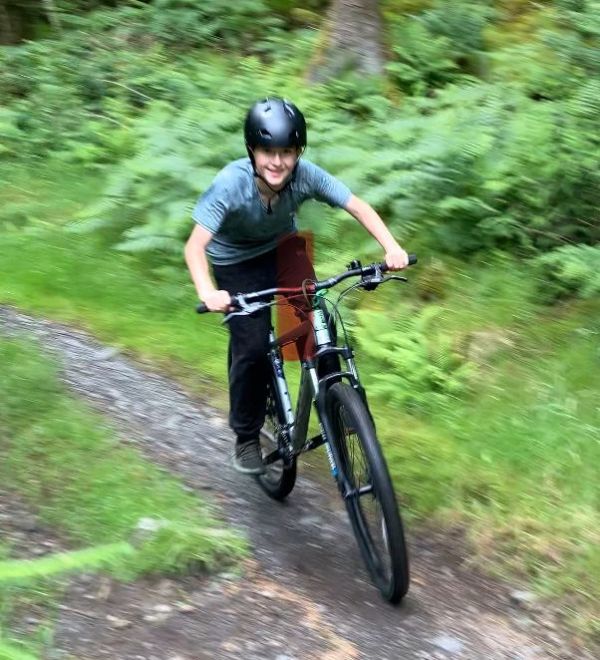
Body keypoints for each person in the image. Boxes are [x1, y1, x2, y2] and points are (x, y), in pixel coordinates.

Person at [185, 97, 409, 475]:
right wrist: (209, 291)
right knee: (252, 348)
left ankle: (337, 404)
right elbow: (195, 247)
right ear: (252, 150)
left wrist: (392, 247)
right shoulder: (230, 184)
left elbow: (357, 206)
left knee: (318, 324)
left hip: (285, 249)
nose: (277, 162)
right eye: (267, 151)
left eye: (287, 152)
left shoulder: (306, 175)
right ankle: (246, 436)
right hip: (235, 261)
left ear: (298, 152)